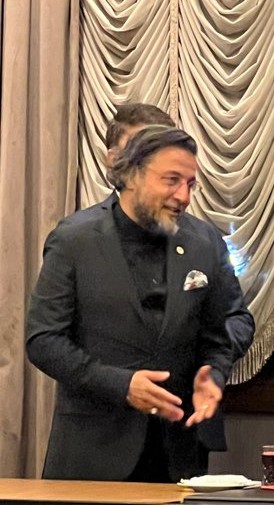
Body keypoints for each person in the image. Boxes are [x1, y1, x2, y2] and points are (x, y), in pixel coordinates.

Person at [26, 125, 255, 482]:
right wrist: (121, 385)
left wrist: (214, 370)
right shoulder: (74, 240)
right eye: (171, 180)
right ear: (132, 175)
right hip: (91, 454)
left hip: (180, 454)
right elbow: (43, 340)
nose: (183, 196)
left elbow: (230, 323)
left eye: (190, 184)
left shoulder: (205, 241)